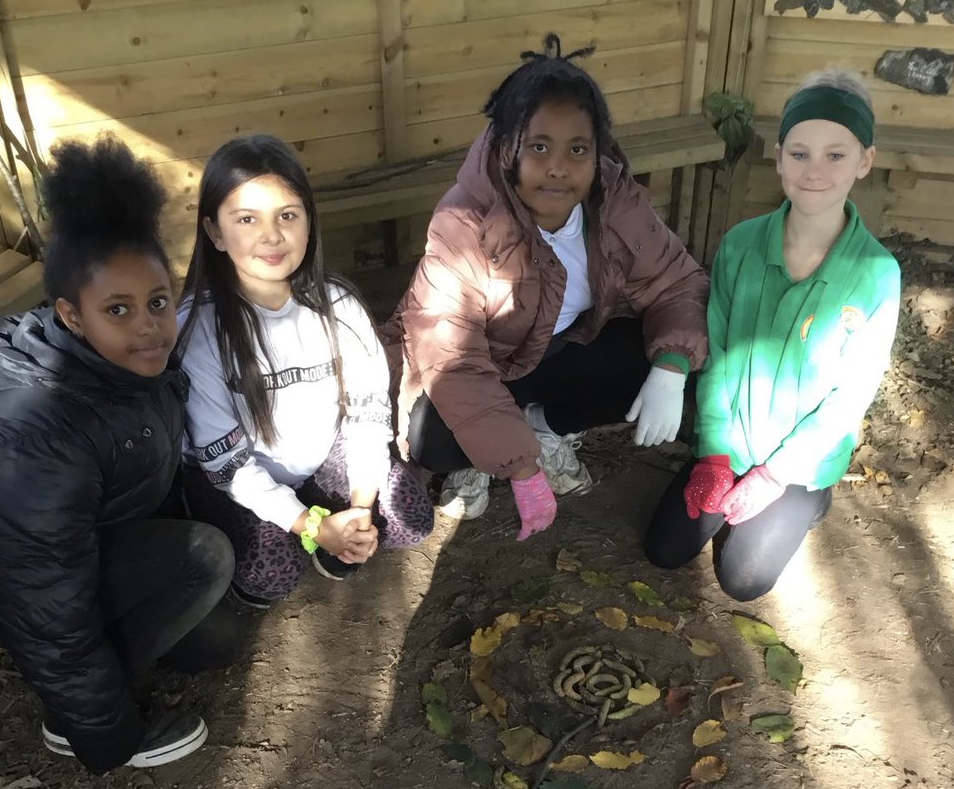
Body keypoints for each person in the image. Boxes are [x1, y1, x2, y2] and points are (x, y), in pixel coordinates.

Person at [382, 34, 710, 540]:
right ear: (508, 148)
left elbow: (676, 282)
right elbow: (452, 361)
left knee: (648, 358)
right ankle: (485, 455)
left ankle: (544, 427)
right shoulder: (463, 222)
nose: (558, 166)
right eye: (539, 147)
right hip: (476, 368)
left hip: (554, 351)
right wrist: (518, 465)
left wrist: (671, 368)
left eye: (577, 149)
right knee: (434, 437)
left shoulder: (613, 199)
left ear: (596, 152)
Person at [0, 137, 235, 773]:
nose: (148, 325)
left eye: (156, 301)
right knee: (204, 560)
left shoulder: (134, 363)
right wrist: (103, 733)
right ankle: (69, 722)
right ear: (70, 314)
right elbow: (42, 596)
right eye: (117, 310)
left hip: (91, 540)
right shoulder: (37, 429)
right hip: (7, 582)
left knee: (215, 645)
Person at [643, 69, 901, 601]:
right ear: (779, 156)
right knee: (664, 551)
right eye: (800, 153)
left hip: (798, 459)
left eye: (836, 154)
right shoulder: (741, 245)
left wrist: (776, 474)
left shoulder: (877, 274)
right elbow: (718, 357)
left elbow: (849, 398)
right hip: (732, 443)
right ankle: (724, 476)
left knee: (743, 580)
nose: (815, 171)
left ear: (865, 161)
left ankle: (812, 499)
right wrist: (714, 452)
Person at [177, 134, 433, 607]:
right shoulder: (198, 329)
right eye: (247, 219)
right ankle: (264, 558)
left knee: (409, 518)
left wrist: (357, 510)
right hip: (234, 479)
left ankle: (333, 545)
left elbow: (366, 418)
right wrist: (312, 525)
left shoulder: (341, 307)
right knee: (270, 573)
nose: (271, 236)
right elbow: (227, 466)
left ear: (309, 223)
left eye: (287, 216)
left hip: (319, 461)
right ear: (214, 232)